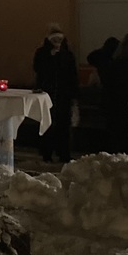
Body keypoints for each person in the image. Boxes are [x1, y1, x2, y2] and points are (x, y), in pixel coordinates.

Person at [33, 23, 78, 163]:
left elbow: (72, 75)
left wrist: (74, 95)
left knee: (63, 124)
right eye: (54, 40)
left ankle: (64, 152)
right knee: (47, 123)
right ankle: (47, 152)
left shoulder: (67, 54)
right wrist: (50, 57)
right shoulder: (42, 53)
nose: (57, 42)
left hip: (64, 94)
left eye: (59, 39)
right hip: (47, 93)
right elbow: (38, 69)